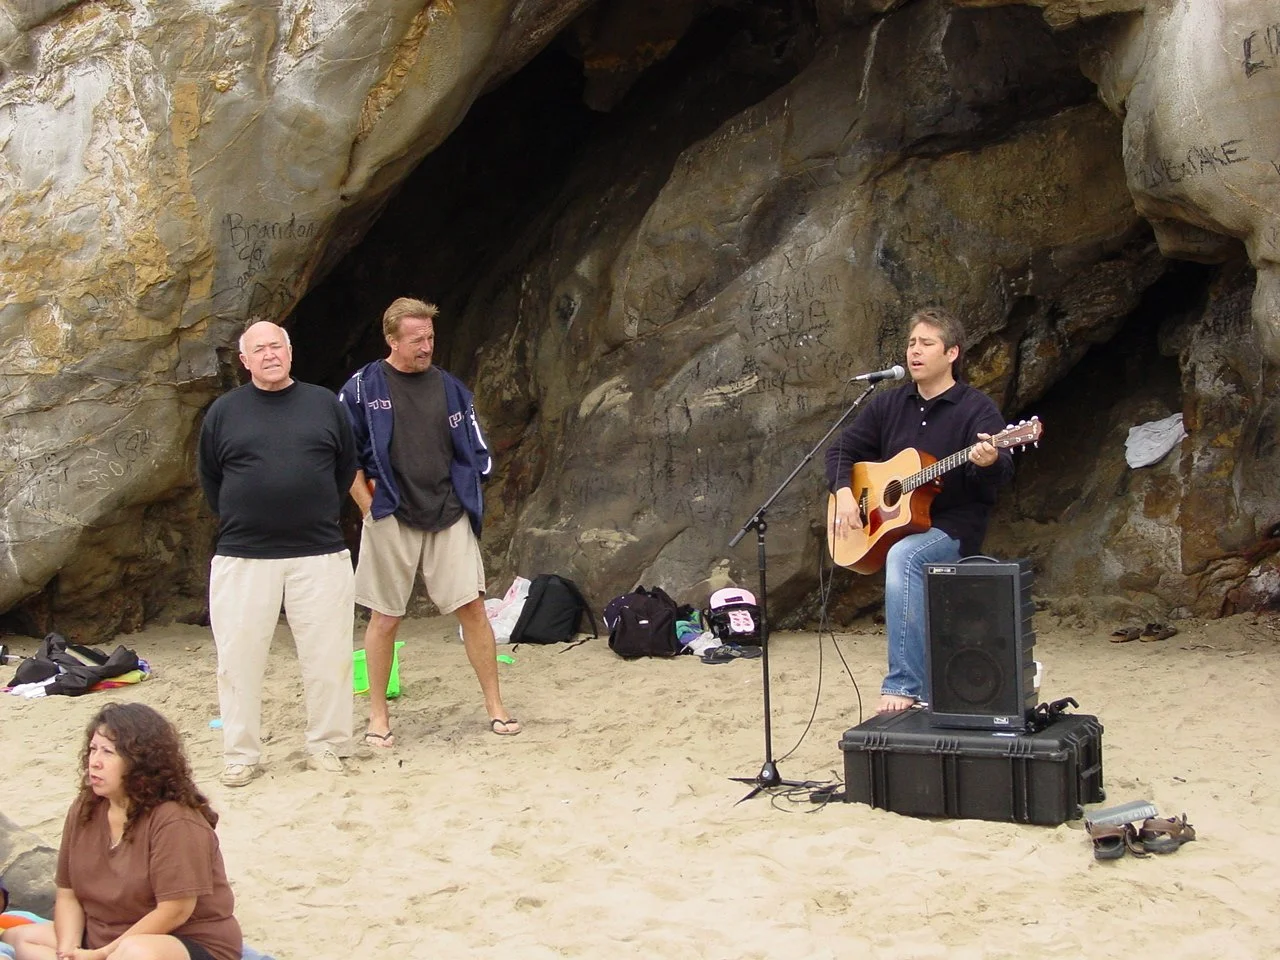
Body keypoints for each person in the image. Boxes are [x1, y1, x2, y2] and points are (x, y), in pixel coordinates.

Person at [338, 297, 518, 748]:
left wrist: (468, 491)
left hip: (448, 511)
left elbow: (476, 452)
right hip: (390, 513)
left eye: (430, 337)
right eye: (416, 339)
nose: (426, 347)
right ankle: (378, 716)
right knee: (385, 616)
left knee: (473, 608)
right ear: (391, 339)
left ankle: (496, 707)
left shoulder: (451, 388)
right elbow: (342, 454)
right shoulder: (361, 388)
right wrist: (366, 505)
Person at [825, 307, 1013, 714]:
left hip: (953, 526)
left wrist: (988, 461)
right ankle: (921, 686)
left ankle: (904, 684)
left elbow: (999, 477)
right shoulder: (888, 405)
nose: (915, 351)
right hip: (898, 525)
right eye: (912, 343)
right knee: (902, 550)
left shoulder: (976, 409)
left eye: (927, 343)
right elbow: (840, 449)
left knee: (905, 556)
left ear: (952, 353)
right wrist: (844, 493)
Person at [197, 320, 358, 785]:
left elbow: (344, 468)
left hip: (319, 553)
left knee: (328, 658)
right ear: (244, 361)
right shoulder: (224, 412)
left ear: (290, 352)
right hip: (243, 556)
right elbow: (211, 479)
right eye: (259, 349)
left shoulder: (324, 405)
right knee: (238, 662)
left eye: (277, 346)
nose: (269, 355)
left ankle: (328, 746)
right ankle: (241, 755)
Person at [0, 703, 242, 960]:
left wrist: (103, 954)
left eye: (108, 752)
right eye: (93, 749)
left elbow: (175, 910)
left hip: (176, 939)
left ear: (140, 762)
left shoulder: (175, 821)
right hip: (104, 934)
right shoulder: (86, 807)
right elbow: (68, 892)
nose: (94, 762)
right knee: (23, 939)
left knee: (135, 953)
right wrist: (68, 950)